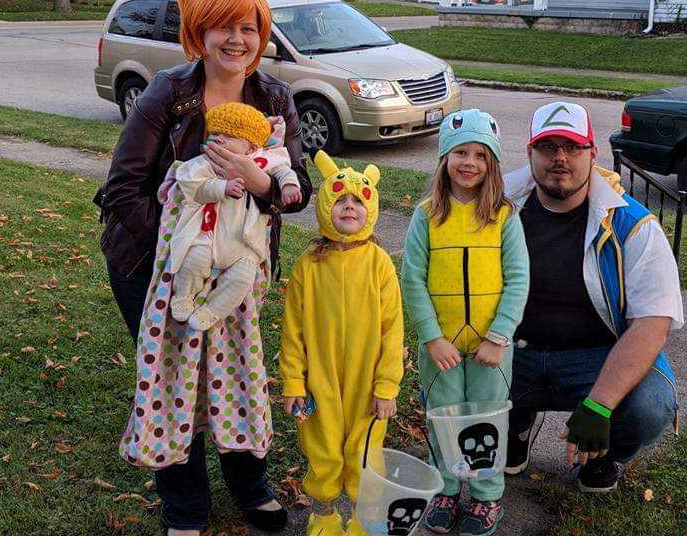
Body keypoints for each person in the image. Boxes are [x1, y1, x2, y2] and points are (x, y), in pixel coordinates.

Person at [99, 0, 312, 536]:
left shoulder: (274, 98)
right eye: (224, 26)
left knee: (239, 371)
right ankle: (185, 506)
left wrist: (262, 180)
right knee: (177, 378)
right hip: (151, 264)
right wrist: (179, 248)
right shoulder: (168, 93)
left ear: (261, 33)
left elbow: (298, 189)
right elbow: (121, 190)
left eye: (249, 27)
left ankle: (252, 490)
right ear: (200, 31)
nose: (237, 39)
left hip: (237, 271)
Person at [502, 101, 682, 493]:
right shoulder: (500, 209)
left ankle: (603, 456)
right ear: (529, 152)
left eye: (572, 147)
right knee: (451, 378)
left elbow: (653, 323)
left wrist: (600, 403)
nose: (560, 158)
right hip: (513, 350)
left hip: (597, 356)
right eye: (547, 147)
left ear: (592, 153)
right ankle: (514, 427)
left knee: (649, 408)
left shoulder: (633, 225)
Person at [401, 109, 530, 536]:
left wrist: (499, 336)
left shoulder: (504, 217)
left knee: (488, 420)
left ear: (492, 163)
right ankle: (448, 488)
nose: (469, 162)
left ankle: (486, 497)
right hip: (441, 349)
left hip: (492, 349)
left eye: (479, 154)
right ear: (444, 158)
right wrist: (432, 338)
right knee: (445, 417)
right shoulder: (426, 215)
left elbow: (518, 279)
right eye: (460, 152)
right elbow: (412, 279)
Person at [280, 150, 404, 536]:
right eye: (341, 200)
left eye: (358, 201)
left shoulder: (379, 263)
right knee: (322, 448)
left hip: (368, 384)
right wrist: (294, 383)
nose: (349, 207)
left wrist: (387, 386)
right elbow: (293, 330)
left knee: (365, 453)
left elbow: (392, 329)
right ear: (325, 206)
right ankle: (324, 513)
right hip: (321, 380)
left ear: (372, 209)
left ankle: (363, 518)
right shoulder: (308, 266)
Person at [168, 102, 301, 331]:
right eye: (215, 133)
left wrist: (288, 185)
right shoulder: (207, 161)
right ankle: (183, 296)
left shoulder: (265, 159)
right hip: (209, 235)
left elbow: (284, 169)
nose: (218, 139)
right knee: (194, 259)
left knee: (242, 279)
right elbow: (192, 186)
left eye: (228, 135)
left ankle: (212, 311)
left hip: (244, 243)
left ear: (250, 147)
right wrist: (221, 188)